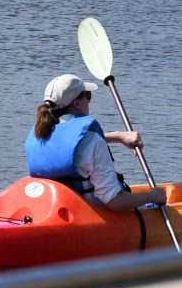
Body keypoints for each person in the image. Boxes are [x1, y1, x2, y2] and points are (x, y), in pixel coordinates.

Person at [25, 73, 167, 212]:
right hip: (94, 214)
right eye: (87, 96)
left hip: (55, 210)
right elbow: (114, 201)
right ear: (77, 103)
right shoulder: (91, 140)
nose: (89, 101)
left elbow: (74, 146)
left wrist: (118, 136)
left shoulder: (40, 132)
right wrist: (153, 196)